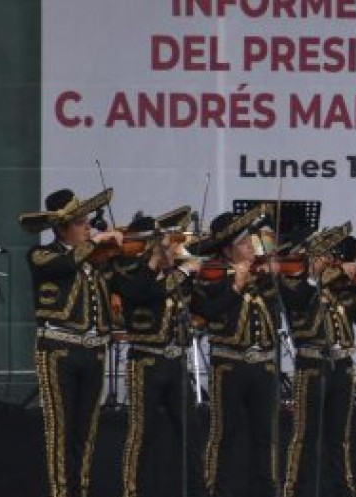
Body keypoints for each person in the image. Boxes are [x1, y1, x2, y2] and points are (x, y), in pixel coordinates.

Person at [19, 187, 122, 497]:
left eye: (88, 221)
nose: (88, 226)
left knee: (86, 430)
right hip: (58, 350)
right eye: (80, 223)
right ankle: (62, 492)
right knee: (60, 430)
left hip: (94, 352)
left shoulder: (98, 260)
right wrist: (96, 243)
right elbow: (64, 266)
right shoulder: (42, 254)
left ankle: (82, 490)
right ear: (62, 228)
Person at [280, 223, 356, 497]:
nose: (331, 260)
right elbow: (301, 302)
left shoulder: (343, 287)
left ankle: (343, 490)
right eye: (325, 255)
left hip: (341, 365)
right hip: (312, 365)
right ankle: (294, 490)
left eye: (332, 255)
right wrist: (321, 276)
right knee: (305, 435)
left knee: (339, 437)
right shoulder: (294, 283)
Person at [112, 208, 207, 497]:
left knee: (190, 432)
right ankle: (133, 491)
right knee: (141, 434)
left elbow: (200, 305)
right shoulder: (126, 269)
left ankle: (196, 490)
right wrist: (170, 266)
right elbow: (141, 293)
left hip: (175, 359)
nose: (171, 246)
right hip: (145, 359)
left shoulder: (177, 269)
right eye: (163, 242)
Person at [193, 205, 282, 497]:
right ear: (229, 251)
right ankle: (218, 491)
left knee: (265, 436)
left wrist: (275, 276)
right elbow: (207, 311)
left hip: (264, 365)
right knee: (224, 434)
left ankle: (266, 491)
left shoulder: (264, 274)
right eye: (245, 244)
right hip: (229, 364)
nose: (252, 249)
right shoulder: (213, 277)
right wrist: (236, 285)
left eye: (252, 243)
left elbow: (292, 307)